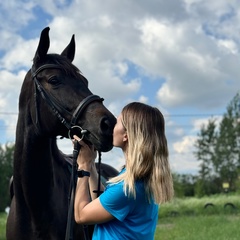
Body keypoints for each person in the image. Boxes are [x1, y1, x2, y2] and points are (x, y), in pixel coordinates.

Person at [73, 102, 174, 240]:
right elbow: (104, 202)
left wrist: (83, 166)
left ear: (126, 135)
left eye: (118, 121)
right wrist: (90, 165)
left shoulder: (127, 188)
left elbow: (81, 215)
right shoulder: (140, 180)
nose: (113, 126)